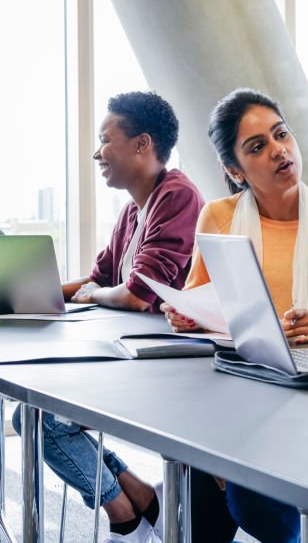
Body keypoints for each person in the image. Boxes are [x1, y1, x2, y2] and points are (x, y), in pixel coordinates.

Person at [164, 88, 308, 542]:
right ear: (235, 171)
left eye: (281, 135)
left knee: (250, 498)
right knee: (200, 488)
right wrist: (186, 317)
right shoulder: (218, 217)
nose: (278, 151)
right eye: (257, 147)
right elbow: (197, 306)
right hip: (242, 403)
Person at [13, 91, 203, 543]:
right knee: (33, 418)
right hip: (124, 353)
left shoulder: (177, 196)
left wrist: (95, 294)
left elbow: (138, 294)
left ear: (141, 145)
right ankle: (138, 502)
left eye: (105, 140)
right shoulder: (132, 210)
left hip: (165, 364)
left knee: (42, 423)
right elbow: (97, 281)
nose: (98, 153)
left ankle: (125, 517)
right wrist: (19, 295)